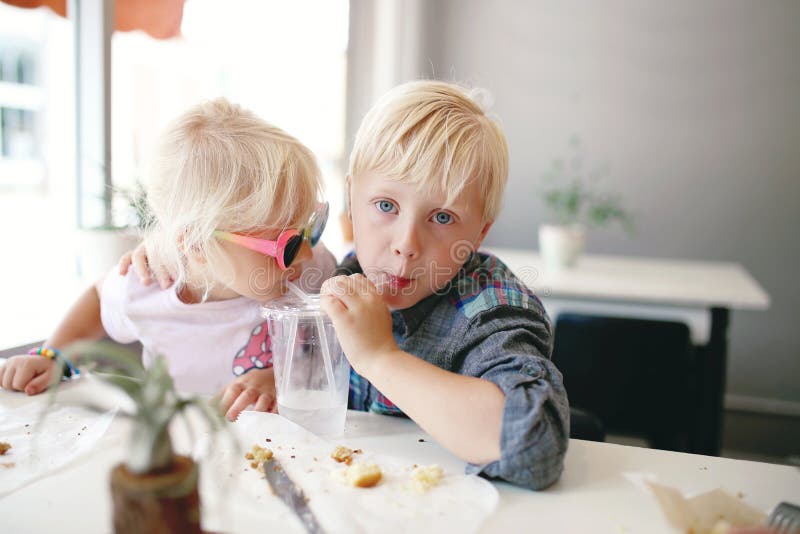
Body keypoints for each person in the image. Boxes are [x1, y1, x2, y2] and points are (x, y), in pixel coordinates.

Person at [0, 98, 336, 421]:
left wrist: (279, 378)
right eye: (288, 244)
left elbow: (334, 346)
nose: (307, 253)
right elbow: (100, 295)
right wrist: (52, 355)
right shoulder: (146, 288)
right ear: (196, 245)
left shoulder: (309, 271)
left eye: (311, 229)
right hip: (181, 453)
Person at [319, 80, 569, 490]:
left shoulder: (490, 307)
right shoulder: (340, 278)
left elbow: (532, 440)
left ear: (479, 233)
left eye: (442, 218)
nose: (406, 246)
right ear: (351, 197)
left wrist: (379, 357)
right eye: (386, 206)